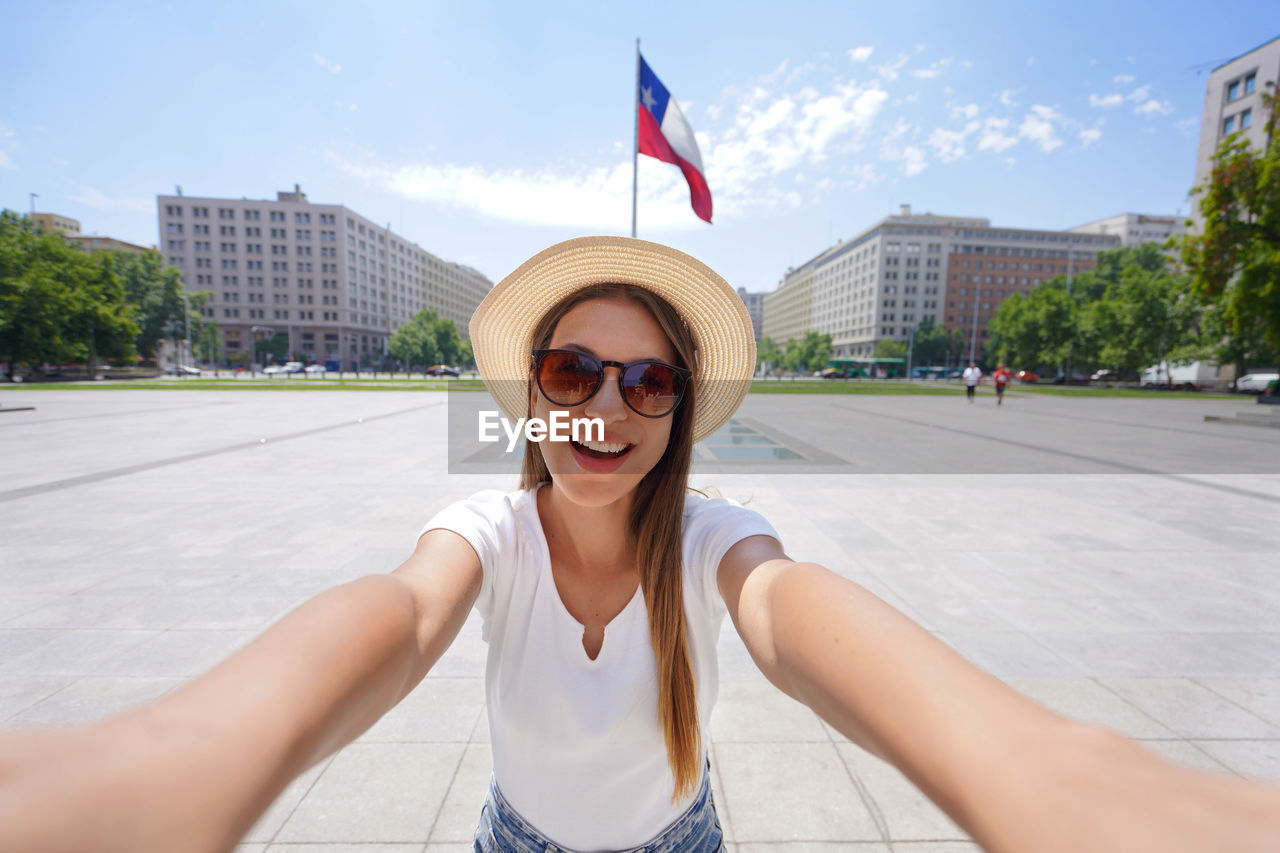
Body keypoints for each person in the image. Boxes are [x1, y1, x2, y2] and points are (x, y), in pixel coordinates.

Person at [2, 236, 1280, 853]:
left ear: (677, 409)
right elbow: (393, 618)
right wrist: (170, 751)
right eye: (574, 369)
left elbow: (790, 616)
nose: (608, 406)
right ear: (537, 396)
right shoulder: (489, 529)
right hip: (515, 840)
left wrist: (1061, 777)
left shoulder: (715, 538)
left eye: (648, 381)